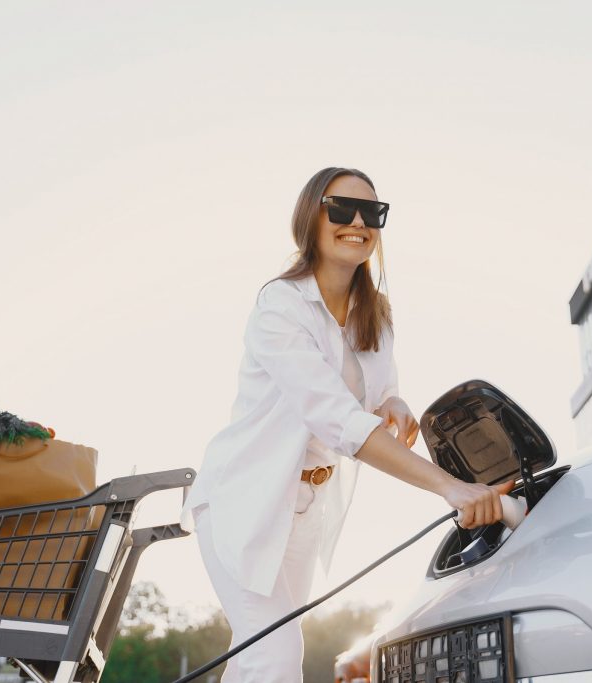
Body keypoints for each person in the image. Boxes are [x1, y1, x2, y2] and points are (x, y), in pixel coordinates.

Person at [181, 167, 513, 682]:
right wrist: (450, 488)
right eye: (341, 209)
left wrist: (395, 399)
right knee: (274, 652)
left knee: (253, 655)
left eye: (372, 213)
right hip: (242, 502)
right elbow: (339, 420)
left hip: (307, 509)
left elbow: (377, 394)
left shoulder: (374, 313)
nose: (358, 222)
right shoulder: (280, 306)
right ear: (310, 217)